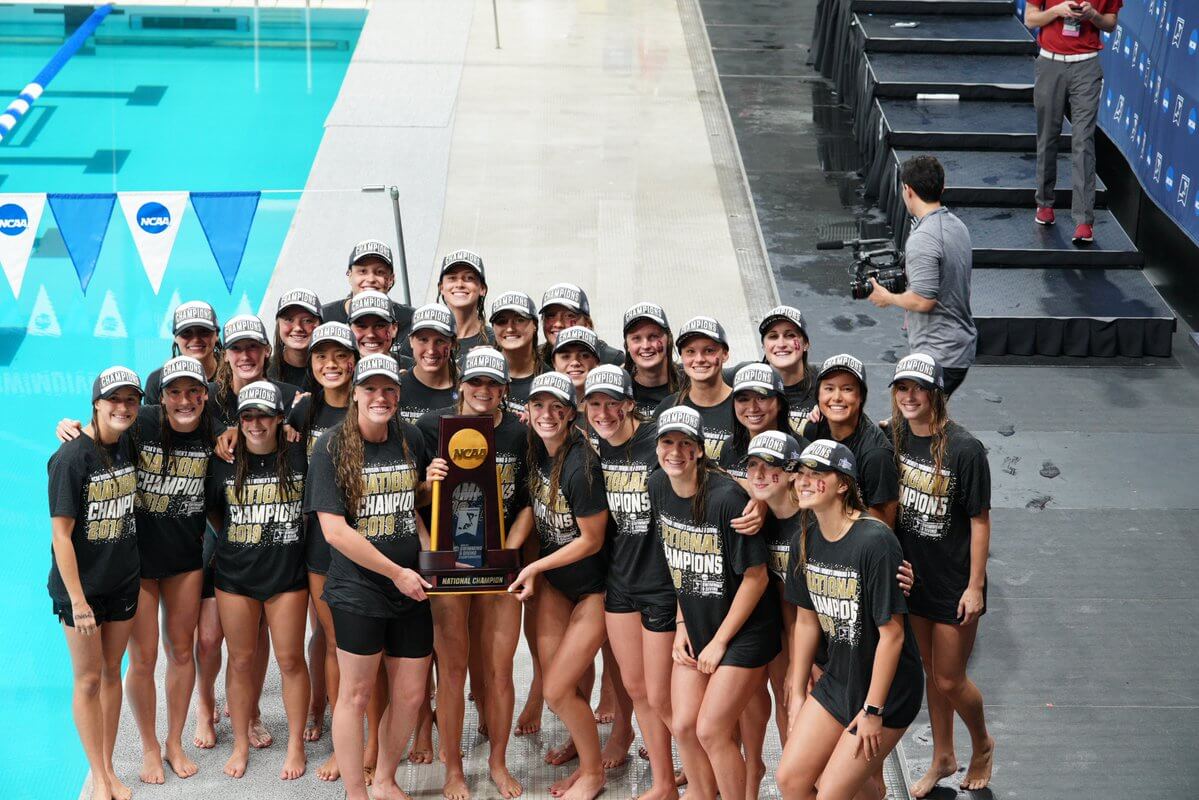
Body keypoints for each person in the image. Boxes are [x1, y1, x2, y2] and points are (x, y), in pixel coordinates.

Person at [305, 353, 433, 800]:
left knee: (412, 695)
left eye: (389, 389)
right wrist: (397, 572)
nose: (381, 397)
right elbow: (335, 531)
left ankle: (384, 779)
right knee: (355, 696)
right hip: (359, 588)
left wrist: (427, 554)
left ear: (398, 394)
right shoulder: (331, 447)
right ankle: (356, 792)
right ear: (355, 393)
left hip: (411, 586)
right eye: (371, 389)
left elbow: (408, 506)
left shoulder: (409, 437)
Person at [775, 440, 924, 800]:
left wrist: (873, 710)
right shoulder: (804, 540)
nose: (805, 482)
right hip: (840, 679)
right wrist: (796, 693)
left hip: (887, 691)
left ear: (843, 484)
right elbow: (807, 623)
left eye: (817, 474)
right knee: (790, 781)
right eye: (802, 474)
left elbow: (893, 636)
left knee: (831, 793)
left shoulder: (875, 541)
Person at [418, 347, 532, 799]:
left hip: (500, 566)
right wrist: (429, 481)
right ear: (459, 384)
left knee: (500, 669)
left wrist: (507, 552)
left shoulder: (521, 434)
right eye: (475, 382)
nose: (483, 391)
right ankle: (454, 770)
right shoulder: (432, 428)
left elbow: (527, 503)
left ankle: (499, 762)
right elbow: (416, 502)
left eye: (492, 384)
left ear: (505, 388)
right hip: (448, 566)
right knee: (453, 669)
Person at [650, 406, 779, 800]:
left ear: (700, 451)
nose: (675, 451)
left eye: (685, 444)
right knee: (684, 725)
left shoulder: (726, 500)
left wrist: (720, 642)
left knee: (711, 729)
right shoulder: (658, 486)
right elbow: (678, 565)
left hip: (746, 631)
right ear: (657, 448)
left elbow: (757, 578)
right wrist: (682, 627)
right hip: (698, 624)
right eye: (667, 442)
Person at [888, 354, 995, 796]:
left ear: (936, 394)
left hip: (953, 582)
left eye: (918, 388)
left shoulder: (964, 449)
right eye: (901, 388)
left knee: (950, 677)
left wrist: (974, 586)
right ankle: (942, 757)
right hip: (914, 579)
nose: (909, 396)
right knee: (931, 672)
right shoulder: (892, 437)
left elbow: (980, 521)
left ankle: (983, 744)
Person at [508, 372, 611, 800]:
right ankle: (580, 745)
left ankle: (593, 773)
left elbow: (592, 540)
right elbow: (534, 506)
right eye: (538, 407)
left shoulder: (581, 464)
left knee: (555, 690)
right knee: (565, 682)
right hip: (556, 582)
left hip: (596, 587)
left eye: (557, 407)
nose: (547, 415)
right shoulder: (537, 451)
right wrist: (510, 556)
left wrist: (532, 568)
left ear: (571, 413)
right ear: (528, 411)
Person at [206, 381, 310, 780]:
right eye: (247, 416)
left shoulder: (299, 456)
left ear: (280, 418)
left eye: (264, 415)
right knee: (242, 659)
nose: (255, 423)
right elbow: (216, 513)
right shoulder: (224, 462)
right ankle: (240, 743)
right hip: (235, 577)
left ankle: (296, 743)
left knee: (289, 660)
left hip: (286, 577)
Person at [48, 367, 143, 800]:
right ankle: (100, 776)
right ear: (96, 405)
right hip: (81, 592)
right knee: (87, 679)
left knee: (112, 673)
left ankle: (107, 765)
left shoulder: (127, 443)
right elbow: (61, 536)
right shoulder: (71, 458)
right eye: (114, 400)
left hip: (122, 581)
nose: (123, 407)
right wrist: (78, 601)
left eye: (131, 400)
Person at [584, 366, 675, 800]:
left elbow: (707, 477)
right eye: (594, 404)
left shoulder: (659, 442)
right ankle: (663, 781)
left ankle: (702, 771)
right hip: (621, 581)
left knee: (662, 695)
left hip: (663, 584)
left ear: (629, 403)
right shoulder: (591, 448)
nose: (603, 412)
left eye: (612, 402)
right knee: (637, 688)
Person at [124, 357, 215, 784]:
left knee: (182, 651)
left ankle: (174, 740)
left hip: (183, 561)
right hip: (139, 564)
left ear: (204, 395)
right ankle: (148, 746)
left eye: (193, 392)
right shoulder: (140, 424)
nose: (185, 401)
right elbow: (99, 435)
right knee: (143, 659)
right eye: (174, 393)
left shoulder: (213, 429)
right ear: (161, 398)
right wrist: (74, 428)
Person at [287, 321, 359, 780]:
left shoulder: (370, 403)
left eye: (339, 356)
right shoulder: (303, 413)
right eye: (320, 358)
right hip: (319, 542)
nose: (330, 365)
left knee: (366, 645)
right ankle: (340, 733)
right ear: (310, 364)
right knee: (333, 641)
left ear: (354, 360)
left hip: (368, 538)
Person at [865, 156, 976, 397]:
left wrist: (888, 297)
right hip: (955, 350)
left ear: (908, 190)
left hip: (938, 356)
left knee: (910, 424)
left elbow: (923, 300)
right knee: (921, 424)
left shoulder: (923, 238)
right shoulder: (957, 226)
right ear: (942, 188)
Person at [1024, 0, 1120, 244]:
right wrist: (1057, 11)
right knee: (1048, 135)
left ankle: (1084, 220)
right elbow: (1030, 18)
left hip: (1086, 65)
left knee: (1083, 141)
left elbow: (1110, 23)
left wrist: (1093, 15)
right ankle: (1044, 203)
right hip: (1049, 63)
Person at [743, 431, 805, 761]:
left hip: (820, 640)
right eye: (753, 466)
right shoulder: (758, 518)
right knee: (785, 705)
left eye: (771, 466)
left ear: (793, 472)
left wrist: (802, 663)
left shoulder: (811, 522)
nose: (760, 474)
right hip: (780, 629)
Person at [798, 355, 898, 529]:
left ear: (861, 397)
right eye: (829, 389)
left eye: (847, 389)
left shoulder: (876, 455)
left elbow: (883, 527)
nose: (836, 397)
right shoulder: (814, 430)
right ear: (818, 396)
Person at [653, 317, 735, 460]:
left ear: (725, 354)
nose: (699, 359)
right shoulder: (668, 407)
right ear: (682, 357)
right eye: (690, 351)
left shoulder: (745, 408)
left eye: (709, 351)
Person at [321, 239, 415, 340]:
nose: (370, 279)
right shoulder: (323, 318)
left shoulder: (412, 320)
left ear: (391, 279)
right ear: (349, 275)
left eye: (380, 272)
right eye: (362, 271)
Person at [719, 363, 797, 481]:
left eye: (762, 398)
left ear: (780, 402)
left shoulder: (798, 450)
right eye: (743, 399)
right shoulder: (730, 446)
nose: (753, 408)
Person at [144, 301, 221, 404]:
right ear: (175, 338)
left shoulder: (234, 376)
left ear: (216, 335)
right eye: (186, 333)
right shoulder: (157, 380)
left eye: (204, 332)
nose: (196, 339)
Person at [398, 304, 460, 424]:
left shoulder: (466, 391)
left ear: (452, 343)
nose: (431, 350)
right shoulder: (395, 389)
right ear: (411, 341)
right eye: (423, 340)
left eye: (440, 341)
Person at [758, 306, 818, 428]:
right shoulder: (746, 378)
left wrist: (833, 417)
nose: (781, 344)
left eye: (790, 335)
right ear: (764, 346)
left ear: (805, 344)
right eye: (773, 336)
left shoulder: (826, 386)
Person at [538, 284, 624, 367]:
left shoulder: (612, 360)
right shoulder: (534, 358)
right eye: (551, 315)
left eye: (569, 316)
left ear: (587, 323)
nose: (558, 324)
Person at [621, 303, 682, 417]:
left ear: (668, 339)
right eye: (636, 338)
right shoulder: (618, 387)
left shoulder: (690, 382)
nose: (645, 345)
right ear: (627, 345)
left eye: (653, 336)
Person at [489, 291, 541, 416]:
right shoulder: (479, 371)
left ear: (534, 325)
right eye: (502, 321)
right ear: (493, 328)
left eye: (519, 320)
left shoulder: (549, 379)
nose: (510, 328)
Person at [436, 250, 493, 352]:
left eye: (469, 278)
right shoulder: (423, 340)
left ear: (482, 289)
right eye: (452, 278)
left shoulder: (497, 342)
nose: (459, 284)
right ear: (441, 288)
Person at [269, 289, 322, 389]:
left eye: (307, 320)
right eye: (289, 320)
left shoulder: (332, 372)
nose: (298, 327)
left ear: (320, 324)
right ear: (278, 325)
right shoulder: (264, 372)